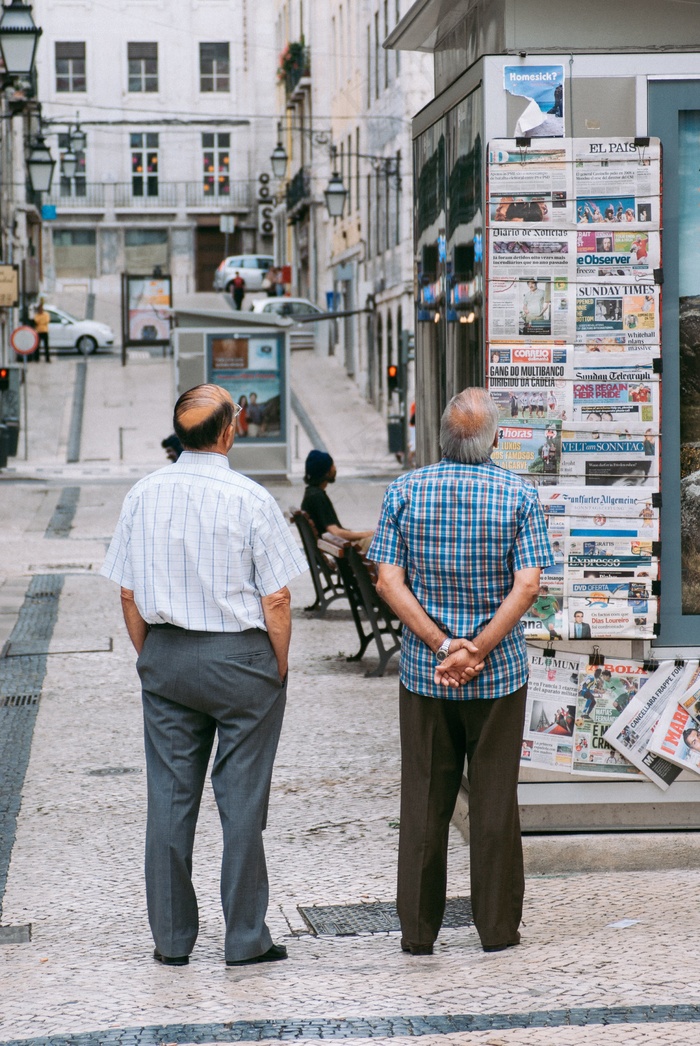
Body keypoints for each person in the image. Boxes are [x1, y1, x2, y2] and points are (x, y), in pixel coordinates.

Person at [100, 384, 308, 967]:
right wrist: (276, 665)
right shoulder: (251, 498)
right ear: (229, 430)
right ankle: (245, 938)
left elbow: (128, 591)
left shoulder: (143, 494)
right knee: (241, 801)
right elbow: (277, 600)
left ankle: (171, 940)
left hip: (167, 654)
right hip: (242, 661)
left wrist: (153, 656)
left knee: (168, 799)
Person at [368, 387, 553, 955]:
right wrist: (477, 649)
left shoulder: (405, 490)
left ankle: (418, 932)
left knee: (424, 799)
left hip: (425, 675)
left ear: (441, 438)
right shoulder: (518, 495)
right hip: (498, 678)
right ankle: (497, 929)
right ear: (494, 438)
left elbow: (387, 581)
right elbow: (528, 585)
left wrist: (442, 643)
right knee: (495, 801)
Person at [301, 449, 375, 552]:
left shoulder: (311, 494)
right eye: (332, 466)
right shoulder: (317, 497)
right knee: (382, 542)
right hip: (344, 552)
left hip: (337, 548)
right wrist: (364, 534)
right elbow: (335, 533)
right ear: (326, 472)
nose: (335, 468)